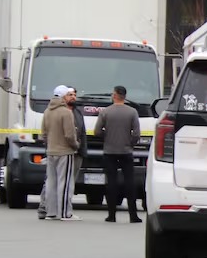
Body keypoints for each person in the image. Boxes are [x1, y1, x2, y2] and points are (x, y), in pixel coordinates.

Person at [95, 85, 143, 223]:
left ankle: (111, 215)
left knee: (111, 182)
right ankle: (133, 215)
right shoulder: (132, 112)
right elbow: (137, 134)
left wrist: (107, 136)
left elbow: (97, 131)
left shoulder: (105, 112)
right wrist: (130, 143)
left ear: (114, 95)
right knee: (130, 183)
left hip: (109, 151)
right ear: (124, 96)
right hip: (126, 151)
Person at [38, 87, 86, 219]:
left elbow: (44, 133)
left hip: (51, 151)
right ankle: (65, 212)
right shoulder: (66, 113)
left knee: (51, 182)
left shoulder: (48, 111)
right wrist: (76, 145)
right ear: (63, 96)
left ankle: (51, 212)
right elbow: (70, 135)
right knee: (65, 183)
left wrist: (49, 145)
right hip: (65, 152)